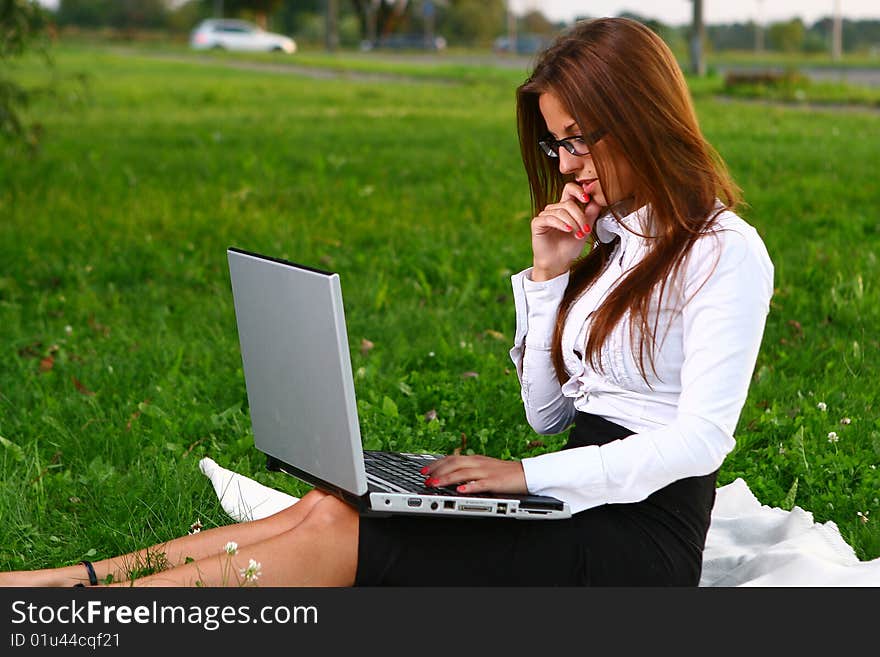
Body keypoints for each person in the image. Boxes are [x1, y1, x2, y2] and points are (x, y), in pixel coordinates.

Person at [0, 17, 772, 588]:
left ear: (639, 114)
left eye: (577, 139)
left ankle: (88, 619)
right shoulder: (610, 242)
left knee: (349, 534)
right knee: (330, 503)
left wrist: (526, 479)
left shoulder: (724, 252)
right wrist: (548, 278)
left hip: (637, 545)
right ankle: (72, 582)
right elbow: (547, 415)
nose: (567, 164)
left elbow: (700, 442)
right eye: (556, 143)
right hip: (569, 498)